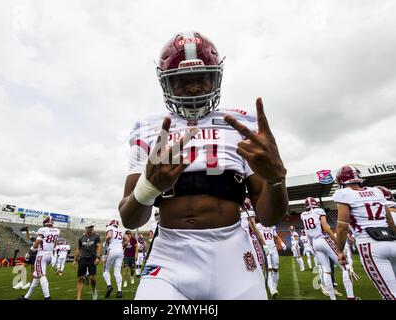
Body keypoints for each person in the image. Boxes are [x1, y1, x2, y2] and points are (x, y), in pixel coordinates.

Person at [118, 31, 288, 300]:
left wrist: (277, 180)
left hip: (232, 254)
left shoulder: (241, 123)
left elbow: (269, 217)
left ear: (216, 77)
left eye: (202, 78)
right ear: (166, 83)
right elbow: (130, 219)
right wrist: (148, 188)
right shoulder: (149, 128)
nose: (194, 87)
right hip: (170, 258)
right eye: (183, 80)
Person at [334, 165, 396, 300]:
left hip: (370, 244)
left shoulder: (344, 194)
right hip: (392, 241)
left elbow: (342, 226)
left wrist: (340, 251)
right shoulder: (377, 191)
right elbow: (391, 222)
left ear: (341, 181)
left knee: (390, 295)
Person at [300, 196, 357, 300]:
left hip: (315, 243)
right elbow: (326, 228)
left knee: (326, 270)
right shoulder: (319, 211)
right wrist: (337, 243)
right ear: (315, 204)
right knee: (345, 266)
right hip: (324, 239)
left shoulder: (303, 215)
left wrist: (312, 245)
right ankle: (351, 296)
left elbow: (307, 233)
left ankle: (332, 298)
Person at [19, 217, 59, 300]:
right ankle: (26, 297)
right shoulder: (57, 231)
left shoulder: (42, 230)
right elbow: (55, 244)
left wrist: (29, 252)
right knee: (36, 277)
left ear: (45, 223)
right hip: (49, 254)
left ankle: (47, 297)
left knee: (41, 275)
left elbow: (37, 243)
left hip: (41, 255)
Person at [255, 220, 286, 298]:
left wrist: (281, 243)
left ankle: (275, 288)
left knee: (275, 269)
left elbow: (276, 237)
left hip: (274, 248)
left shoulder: (272, 226)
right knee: (269, 269)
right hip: (265, 249)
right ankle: (271, 289)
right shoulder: (258, 226)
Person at [74, 223, 101, 300]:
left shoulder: (96, 236)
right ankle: (78, 298)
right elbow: (78, 248)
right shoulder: (81, 238)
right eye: (89, 227)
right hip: (82, 259)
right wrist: (75, 259)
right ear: (85, 228)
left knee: (92, 278)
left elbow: (99, 247)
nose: (90, 228)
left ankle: (93, 290)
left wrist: (98, 257)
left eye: (91, 227)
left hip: (92, 258)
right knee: (80, 278)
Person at [102, 219, 126, 298]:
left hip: (112, 249)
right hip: (120, 251)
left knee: (106, 270)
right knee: (117, 272)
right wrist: (121, 245)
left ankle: (109, 285)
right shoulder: (121, 230)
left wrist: (105, 242)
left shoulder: (110, 228)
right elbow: (128, 239)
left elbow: (109, 236)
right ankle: (119, 291)